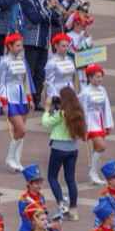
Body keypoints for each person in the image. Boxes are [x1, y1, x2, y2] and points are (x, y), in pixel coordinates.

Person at [42, 86, 85, 220]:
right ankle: (74, 210)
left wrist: (47, 108)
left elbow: (45, 123)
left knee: (52, 177)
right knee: (70, 179)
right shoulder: (78, 112)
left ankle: (61, 204)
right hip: (73, 149)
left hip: (59, 148)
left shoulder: (61, 114)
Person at [0, 33, 34, 171]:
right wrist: (4, 102)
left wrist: (29, 98)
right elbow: (1, 83)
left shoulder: (22, 60)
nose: (20, 48)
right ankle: (9, 157)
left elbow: (25, 81)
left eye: (21, 45)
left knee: (21, 132)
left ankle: (16, 159)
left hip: (22, 98)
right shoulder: (4, 62)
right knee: (21, 130)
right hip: (10, 97)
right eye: (18, 45)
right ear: (9, 46)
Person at [21, 0, 58, 111]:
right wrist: (48, 9)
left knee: (40, 73)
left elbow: (55, 20)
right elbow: (35, 18)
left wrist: (55, 9)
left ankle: (36, 100)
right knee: (29, 72)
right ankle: (26, 100)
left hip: (44, 41)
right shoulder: (28, 0)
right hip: (31, 40)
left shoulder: (47, 0)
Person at [79, 64, 113, 185]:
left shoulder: (103, 90)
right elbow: (82, 110)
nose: (99, 79)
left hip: (100, 120)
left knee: (98, 148)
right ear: (89, 78)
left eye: (101, 77)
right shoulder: (85, 92)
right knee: (101, 146)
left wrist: (108, 124)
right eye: (97, 77)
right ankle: (93, 172)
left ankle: (94, 173)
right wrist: (84, 128)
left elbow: (106, 107)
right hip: (90, 122)